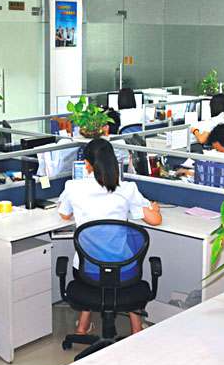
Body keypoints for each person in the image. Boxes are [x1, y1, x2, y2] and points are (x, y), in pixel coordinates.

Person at [58, 138, 162, 335]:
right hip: (125, 271)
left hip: (87, 272)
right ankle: (136, 329)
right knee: (121, 263)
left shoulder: (73, 187)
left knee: (94, 263)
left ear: (87, 164)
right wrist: (154, 208)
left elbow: (64, 215)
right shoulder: (127, 189)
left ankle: (82, 328)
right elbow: (155, 220)